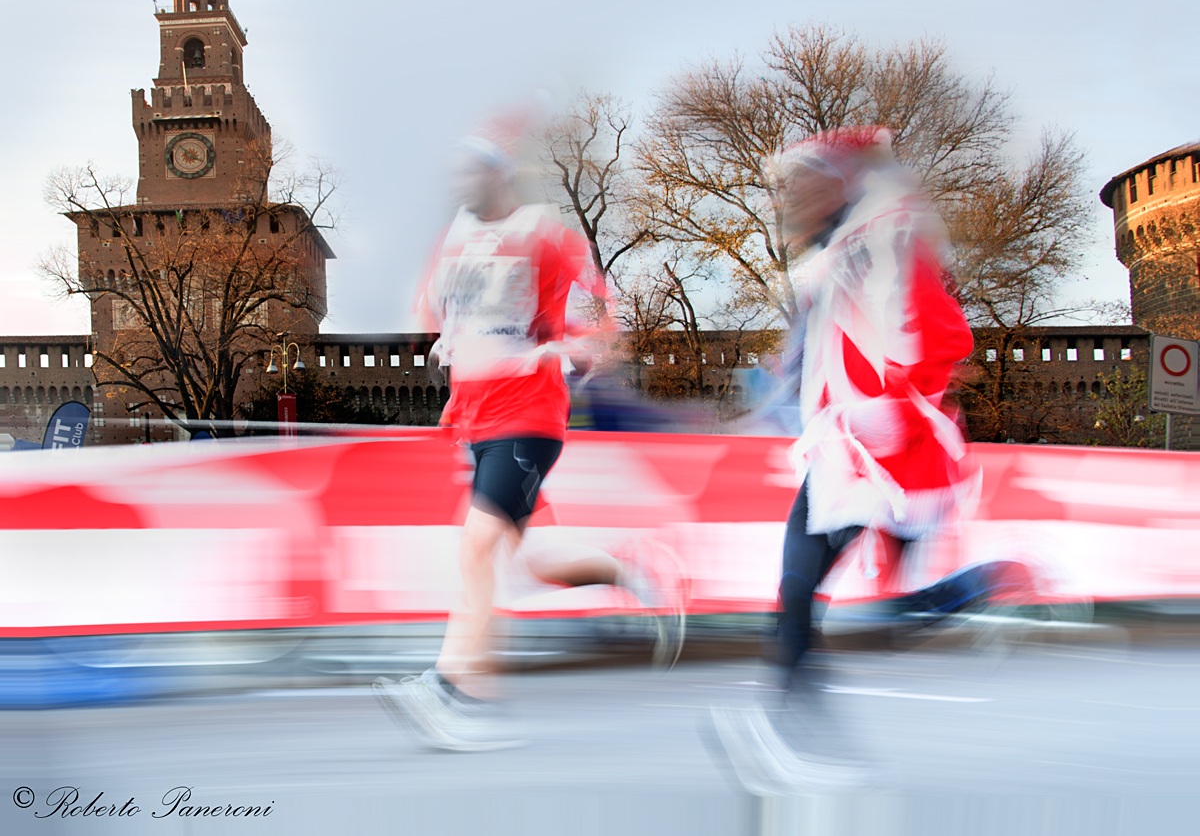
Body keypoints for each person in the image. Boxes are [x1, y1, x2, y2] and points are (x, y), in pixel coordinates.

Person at [374, 118, 684, 751]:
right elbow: (439, 315)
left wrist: (569, 349)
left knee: (477, 551)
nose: (459, 181)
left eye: (472, 169)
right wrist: (442, 344)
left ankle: (454, 692)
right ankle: (637, 576)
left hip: (528, 417)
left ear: (499, 174)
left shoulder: (545, 234)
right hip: (475, 421)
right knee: (530, 563)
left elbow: (604, 313)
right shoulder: (452, 240)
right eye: (454, 170)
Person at [710, 127, 984, 790]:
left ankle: (984, 582)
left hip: (880, 449)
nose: (791, 203)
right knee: (806, 588)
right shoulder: (829, 258)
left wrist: (895, 398)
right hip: (844, 450)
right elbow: (808, 356)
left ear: (836, 183)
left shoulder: (885, 233)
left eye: (803, 186)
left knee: (820, 591)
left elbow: (938, 329)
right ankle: (784, 730)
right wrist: (769, 401)